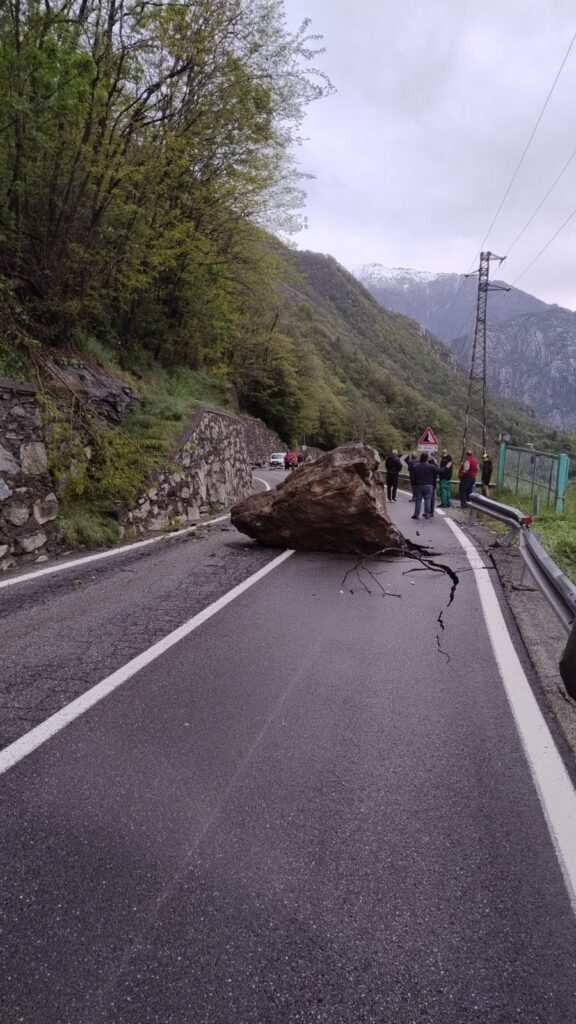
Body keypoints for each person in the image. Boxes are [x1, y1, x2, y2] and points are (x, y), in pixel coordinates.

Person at [410, 453, 437, 520]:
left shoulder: (415, 466)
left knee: (418, 500)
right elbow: (438, 470)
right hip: (429, 485)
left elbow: (413, 477)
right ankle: (427, 514)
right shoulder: (431, 466)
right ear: (427, 458)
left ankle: (416, 514)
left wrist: (413, 485)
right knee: (428, 499)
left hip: (419, 485)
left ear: (420, 457)